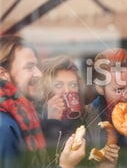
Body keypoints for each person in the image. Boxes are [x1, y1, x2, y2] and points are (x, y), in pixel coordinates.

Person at [0, 35, 85, 168]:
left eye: (38, 67)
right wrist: (65, 166)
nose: (39, 74)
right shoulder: (4, 127)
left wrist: (51, 123)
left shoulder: (25, 117)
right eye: (29, 67)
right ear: (2, 75)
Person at [35, 55, 86, 163]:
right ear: (46, 90)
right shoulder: (35, 119)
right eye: (58, 85)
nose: (67, 91)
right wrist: (52, 122)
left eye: (73, 85)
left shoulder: (86, 116)